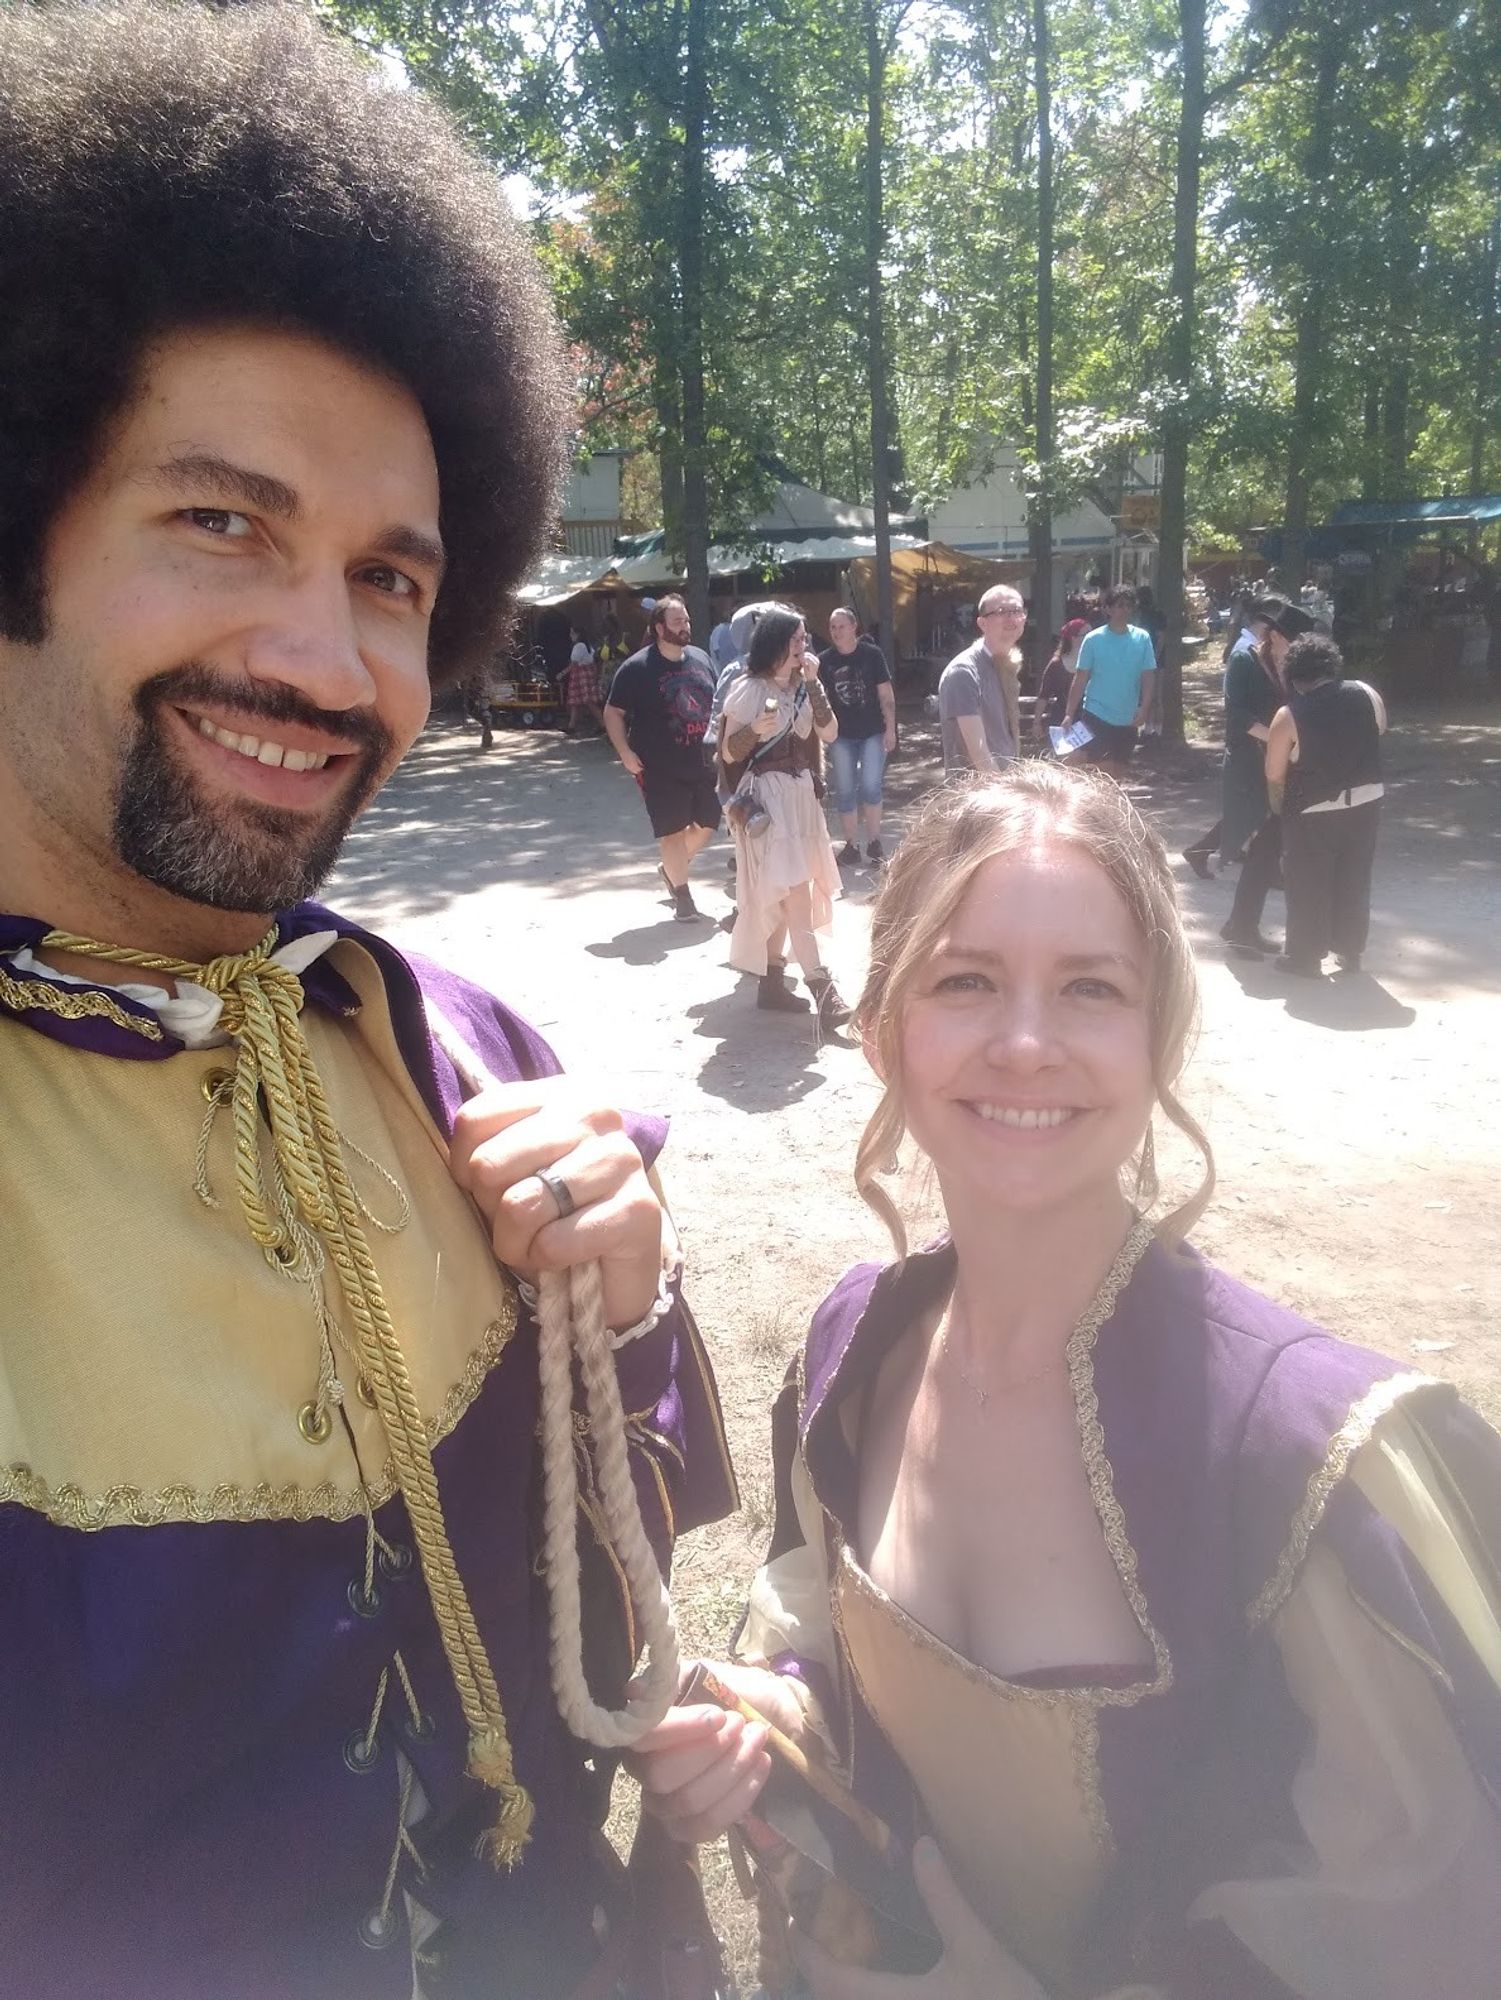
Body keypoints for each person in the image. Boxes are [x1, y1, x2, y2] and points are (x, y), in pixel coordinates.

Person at [0, 9, 738, 1997]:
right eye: (221, 521)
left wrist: (633, 1306)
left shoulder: (463, 1052)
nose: (323, 657)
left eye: (394, 579)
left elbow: (622, 1565)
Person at [633, 765, 1501, 2000]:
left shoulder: (1314, 1457)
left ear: (1159, 1040)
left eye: (1089, 988)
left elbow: (1422, 1929)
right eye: (965, 980)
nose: (1026, 1042)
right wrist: (773, 1708)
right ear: (883, 1032)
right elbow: (828, 1630)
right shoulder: (854, 1345)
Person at [718, 607, 847, 1027]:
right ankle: (822, 989)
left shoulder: (805, 687)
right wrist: (755, 728)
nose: (803, 646)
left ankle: (772, 984)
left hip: (800, 799)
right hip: (768, 803)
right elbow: (729, 753)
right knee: (795, 895)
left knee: (786, 891)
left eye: (805, 639)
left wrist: (813, 684)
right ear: (774, 643)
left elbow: (829, 733)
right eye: (795, 639)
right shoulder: (748, 689)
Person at [1264, 633, 1388, 979]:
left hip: (1312, 809)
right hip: (1366, 800)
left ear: (1294, 675)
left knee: (1307, 884)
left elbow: (1274, 774)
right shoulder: (1367, 693)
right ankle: (1350, 951)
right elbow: (1379, 730)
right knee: (1355, 876)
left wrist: (1279, 812)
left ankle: (1304, 956)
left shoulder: (1288, 715)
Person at [604, 595, 722, 923]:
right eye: (677, 622)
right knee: (672, 830)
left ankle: (671, 868)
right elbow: (613, 712)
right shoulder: (637, 667)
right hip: (657, 766)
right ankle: (683, 895)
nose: (685, 627)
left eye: (686, 620)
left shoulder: (700, 658)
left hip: (701, 761)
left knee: (708, 821)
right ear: (659, 628)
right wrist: (625, 753)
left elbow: (717, 706)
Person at [1218, 601, 1318, 959]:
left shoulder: (1292, 668)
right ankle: (1239, 928)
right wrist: (1279, 739)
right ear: (1274, 636)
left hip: (1279, 765)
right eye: (1295, 640)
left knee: (1268, 851)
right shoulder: (1244, 659)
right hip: (1248, 766)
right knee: (1258, 847)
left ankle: (1241, 926)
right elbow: (1237, 715)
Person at [1182, 597, 1286, 880]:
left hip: (1262, 743)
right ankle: (1259, 865)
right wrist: (1272, 737)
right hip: (1250, 745)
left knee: (1257, 808)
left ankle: (1214, 853)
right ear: (1267, 621)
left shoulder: (1268, 652)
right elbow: (1236, 707)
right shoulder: (1244, 652)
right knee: (1255, 808)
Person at [820, 607, 897, 867]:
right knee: (844, 791)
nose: (837, 632)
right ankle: (851, 845)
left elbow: (886, 694)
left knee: (870, 786)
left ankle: (875, 842)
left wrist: (891, 729)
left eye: (841, 626)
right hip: (840, 736)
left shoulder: (872, 655)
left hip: (872, 732)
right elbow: (819, 702)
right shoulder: (825, 661)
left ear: (854, 627)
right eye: (832, 627)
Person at [1062, 584, 1157, 778]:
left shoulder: (1142, 638)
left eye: (1128, 606)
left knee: (1118, 775)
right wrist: (1069, 714)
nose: (1124, 610)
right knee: (1104, 775)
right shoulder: (1093, 639)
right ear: (1108, 609)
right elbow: (1080, 679)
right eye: (1120, 605)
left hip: (1128, 719)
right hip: (1097, 716)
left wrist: (1145, 708)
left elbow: (1148, 676)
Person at [937, 584, 1025, 774]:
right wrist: (1004, 793)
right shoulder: (964, 672)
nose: (1011, 618)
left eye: (1016, 610)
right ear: (982, 623)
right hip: (977, 795)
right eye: (1001, 611)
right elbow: (979, 755)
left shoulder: (1005, 664)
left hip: (1006, 785)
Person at [1034, 617, 1089, 741]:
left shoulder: (1094, 664)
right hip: (1060, 719)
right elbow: (1044, 695)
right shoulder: (1056, 665)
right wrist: (1036, 723)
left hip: (1087, 720)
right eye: (1087, 634)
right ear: (1073, 638)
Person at [562, 624, 605, 735]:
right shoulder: (587, 645)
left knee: (589, 701)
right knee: (576, 702)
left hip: (582, 675)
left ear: (578, 634)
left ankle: (603, 725)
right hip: (585, 674)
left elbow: (574, 663)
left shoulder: (579, 646)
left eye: (572, 633)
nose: (570, 635)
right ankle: (571, 727)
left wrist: (562, 673)